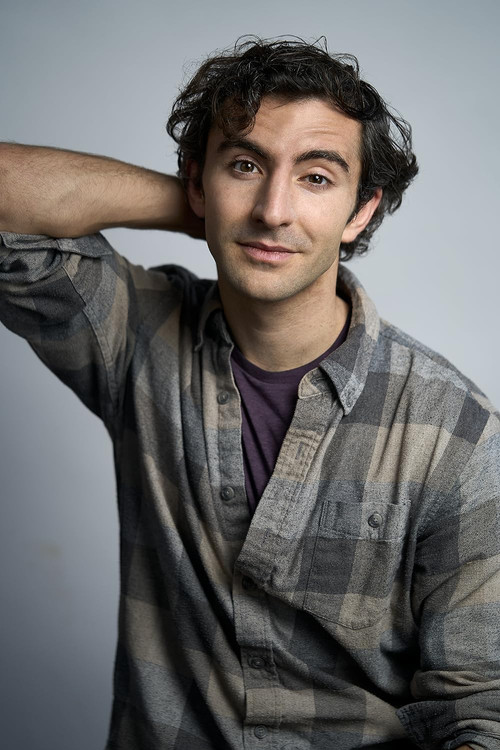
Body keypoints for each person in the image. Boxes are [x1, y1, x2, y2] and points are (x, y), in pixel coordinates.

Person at [0, 37, 498, 750]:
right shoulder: (137, 334)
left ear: (362, 211)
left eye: (316, 178)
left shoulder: (458, 431)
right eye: (246, 165)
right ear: (198, 182)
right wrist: (204, 206)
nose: (273, 209)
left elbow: (482, 706)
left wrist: (226, 199)